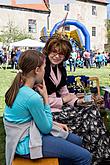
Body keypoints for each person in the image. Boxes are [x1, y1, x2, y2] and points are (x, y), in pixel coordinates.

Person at [3, 50, 92, 165]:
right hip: (27, 144)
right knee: (85, 156)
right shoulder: (32, 97)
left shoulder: (20, 88)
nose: (45, 71)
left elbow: (32, 119)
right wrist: (45, 98)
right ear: (37, 70)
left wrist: (56, 124)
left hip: (23, 137)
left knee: (77, 141)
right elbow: (46, 128)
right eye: (44, 68)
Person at [43, 36, 110, 164]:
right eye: (54, 52)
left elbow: (65, 93)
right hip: (47, 113)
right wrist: (63, 100)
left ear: (66, 56)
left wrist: (79, 101)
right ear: (48, 51)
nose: (57, 56)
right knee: (90, 115)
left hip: (58, 108)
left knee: (91, 109)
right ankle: (98, 154)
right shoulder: (41, 68)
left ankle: (97, 153)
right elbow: (40, 101)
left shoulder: (60, 69)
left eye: (61, 54)